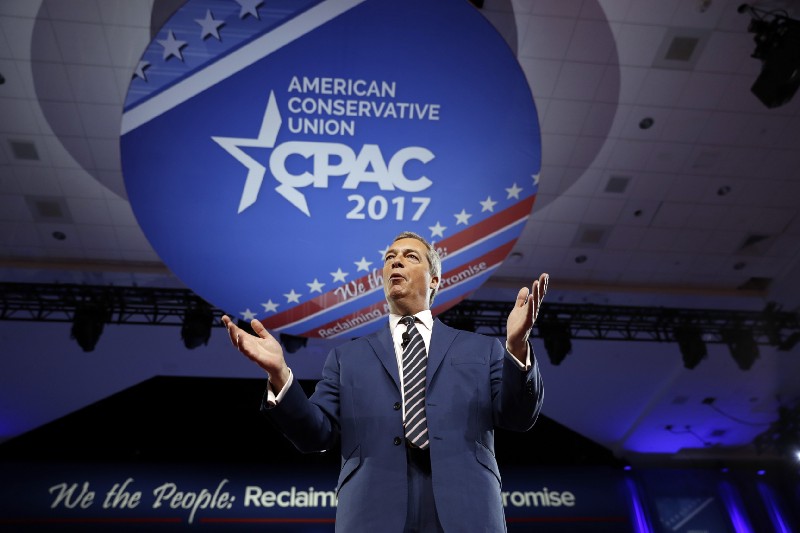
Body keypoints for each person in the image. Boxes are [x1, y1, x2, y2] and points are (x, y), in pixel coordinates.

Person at [222, 231, 547, 532]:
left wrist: (516, 347)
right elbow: (315, 435)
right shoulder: (346, 358)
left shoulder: (482, 348)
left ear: (434, 280)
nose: (396, 260)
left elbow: (519, 419)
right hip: (372, 511)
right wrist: (279, 374)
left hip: (467, 507)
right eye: (390, 256)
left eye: (410, 256)